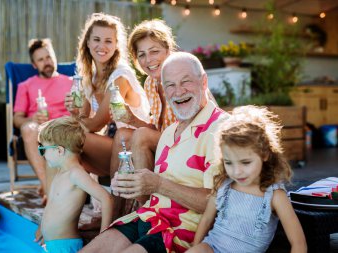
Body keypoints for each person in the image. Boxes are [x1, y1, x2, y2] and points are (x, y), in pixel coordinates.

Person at [80, 52, 230, 253]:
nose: (178, 91)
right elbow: (151, 196)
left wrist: (158, 184)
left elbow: (218, 203)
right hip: (147, 217)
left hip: (180, 233)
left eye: (186, 81)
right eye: (170, 85)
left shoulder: (221, 129)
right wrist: (134, 186)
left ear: (203, 82)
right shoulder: (168, 133)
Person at [187, 105, 307, 253]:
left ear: (265, 154)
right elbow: (206, 220)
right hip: (211, 247)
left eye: (245, 162)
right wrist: (195, 246)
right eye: (228, 163)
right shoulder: (224, 185)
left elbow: (299, 244)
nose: (237, 172)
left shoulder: (275, 196)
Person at [64, 13, 150, 180]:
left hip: (133, 146)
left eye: (108, 41)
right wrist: (74, 111)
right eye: (96, 39)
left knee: (68, 137)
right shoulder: (89, 78)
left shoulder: (120, 77)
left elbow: (95, 124)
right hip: (110, 144)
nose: (101, 46)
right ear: (88, 42)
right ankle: (58, 197)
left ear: (116, 45)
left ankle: (100, 200)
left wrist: (74, 122)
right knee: (58, 144)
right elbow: (82, 120)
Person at [109, 19, 177, 218]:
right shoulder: (150, 83)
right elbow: (158, 131)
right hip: (167, 143)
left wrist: (139, 128)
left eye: (154, 51)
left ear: (168, 50)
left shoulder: (179, 76)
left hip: (189, 144)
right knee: (123, 133)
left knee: (140, 136)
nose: (149, 60)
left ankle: (145, 212)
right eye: (142, 55)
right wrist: (131, 119)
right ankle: (116, 211)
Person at [34, 116, 113, 253]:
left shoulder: (76, 174)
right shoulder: (61, 172)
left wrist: (103, 236)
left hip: (65, 246)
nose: (42, 155)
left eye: (43, 150)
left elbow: (107, 198)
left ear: (59, 150)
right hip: (54, 245)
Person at [13, 38, 72, 201]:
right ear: (34, 65)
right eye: (40, 59)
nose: (46, 62)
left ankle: (50, 186)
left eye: (49, 57)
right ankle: (48, 188)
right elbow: (17, 119)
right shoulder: (25, 86)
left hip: (65, 129)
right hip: (38, 130)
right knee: (27, 128)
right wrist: (32, 118)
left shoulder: (71, 82)